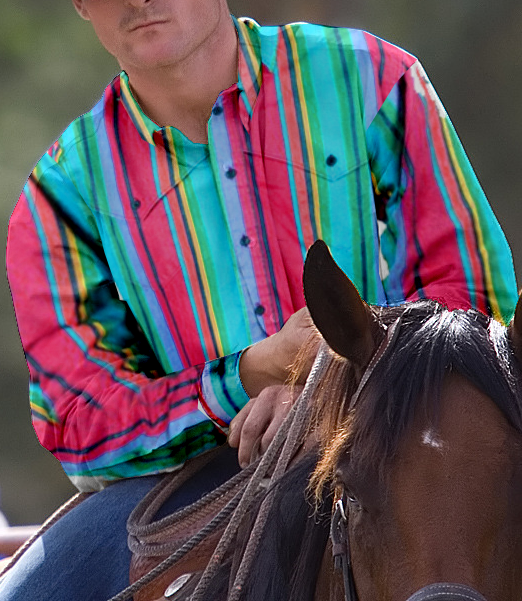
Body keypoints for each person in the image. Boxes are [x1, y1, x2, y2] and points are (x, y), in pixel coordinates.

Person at [2, 0, 517, 598]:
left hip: (403, 438)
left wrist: (320, 393)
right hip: (198, 473)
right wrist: (242, 379)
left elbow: (470, 296)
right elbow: (82, 421)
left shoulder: (375, 78)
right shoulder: (59, 192)